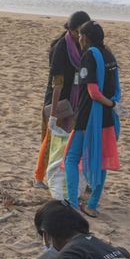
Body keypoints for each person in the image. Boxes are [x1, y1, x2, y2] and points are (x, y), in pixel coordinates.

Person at [59, 21, 121, 214]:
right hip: (107, 118)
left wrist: (109, 103)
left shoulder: (90, 56)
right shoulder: (109, 55)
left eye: (80, 36)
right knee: (101, 159)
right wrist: (113, 105)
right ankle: (93, 205)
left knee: (71, 157)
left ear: (85, 37)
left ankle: (72, 203)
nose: (78, 38)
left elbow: (93, 92)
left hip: (89, 117)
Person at [39, 11, 89, 182]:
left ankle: (63, 178)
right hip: (58, 102)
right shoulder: (61, 48)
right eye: (79, 32)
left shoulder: (83, 46)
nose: (81, 36)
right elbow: (57, 84)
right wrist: (52, 115)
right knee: (51, 141)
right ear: (72, 30)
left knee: (69, 144)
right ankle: (39, 177)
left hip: (75, 102)